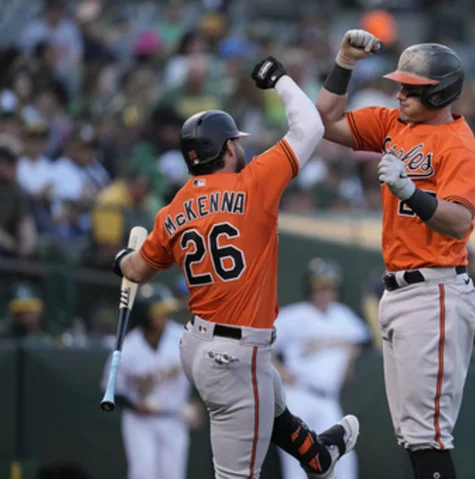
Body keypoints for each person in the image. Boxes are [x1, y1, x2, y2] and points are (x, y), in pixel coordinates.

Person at [111, 56, 359, 479]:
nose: (240, 147)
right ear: (227, 147)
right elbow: (311, 128)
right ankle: (316, 456)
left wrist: (120, 257)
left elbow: (134, 271)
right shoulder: (253, 182)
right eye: (236, 142)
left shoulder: (172, 210)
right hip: (237, 354)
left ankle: (316, 455)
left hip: (198, 345)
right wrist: (280, 79)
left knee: (274, 401)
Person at [316, 32, 475, 479]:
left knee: (427, 435)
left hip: (436, 291)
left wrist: (410, 191)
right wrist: (344, 62)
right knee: (413, 435)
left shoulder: (460, 147)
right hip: (401, 291)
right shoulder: (396, 123)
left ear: (441, 91)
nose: (400, 93)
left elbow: (457, 222)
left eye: (411, 87)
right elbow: (324, 121)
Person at [273, 258, 370, 479]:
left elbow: (362, 339)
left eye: (328, 286)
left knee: (343, 463)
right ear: (310, 288)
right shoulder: (294, 315)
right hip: (299, 394)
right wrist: (281, 371)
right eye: (319, 286)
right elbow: (262, 346)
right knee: (297, 465)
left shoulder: (344, 316)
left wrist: (349, 355)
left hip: (328, 399)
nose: (323, 292)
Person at [101, 284, 202, 479]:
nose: (163, 316)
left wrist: (195, 400)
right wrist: (134, 406)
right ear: (144, 315)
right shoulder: (128, 346)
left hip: (175, 417)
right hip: (140, 422)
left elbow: (198, 372)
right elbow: (110, 389)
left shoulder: (182, 337)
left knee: (173, 475)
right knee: (143, 474)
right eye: (158, 312)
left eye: (165, 311)